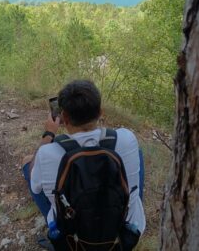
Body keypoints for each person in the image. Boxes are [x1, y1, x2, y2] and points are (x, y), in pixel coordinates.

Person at [21, 80, 144, 250]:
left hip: (75, 240)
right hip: (125, 231)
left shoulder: (48, 153)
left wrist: (49, 134)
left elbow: (36, 189)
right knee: (136, 153)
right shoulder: (127, 137)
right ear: (100, 112)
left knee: (28, 163)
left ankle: (56, 224)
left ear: (64, 118)